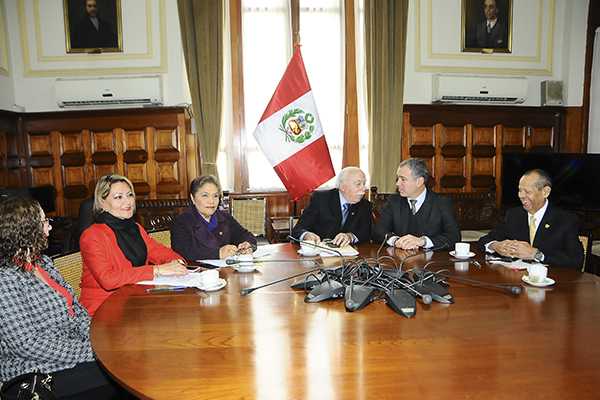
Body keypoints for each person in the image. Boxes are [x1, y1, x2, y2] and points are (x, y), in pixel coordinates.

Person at [0, 197, 118, 399]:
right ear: (26, 230)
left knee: (124, 360)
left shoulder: (43, 263)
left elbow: (76, 310)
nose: (49, 227)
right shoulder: (5, 278)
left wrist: (97, 339)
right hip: (33, 371)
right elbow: (27, 344)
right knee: (119, 374)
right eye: (44, 222)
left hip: (69, 354)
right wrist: (91, 350)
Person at [80, 173, 187, 316]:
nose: (128, 202)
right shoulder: (92, 235)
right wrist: (156, 270)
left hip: (135, 302)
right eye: (118, 197)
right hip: (103, 309)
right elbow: (108, 279)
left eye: (129, 195)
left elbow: (159, 252)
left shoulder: (136, 228)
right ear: (102, 203)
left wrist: (176, 262)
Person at [478, 169, 584, 269]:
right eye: (520, 190)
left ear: (545, 192)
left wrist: (537, 254)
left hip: (551, 278)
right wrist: (496, 246)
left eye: (527, 191)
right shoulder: (514, 215)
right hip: (517, 278)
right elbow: (484, 240)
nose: (521, 195)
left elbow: (577, 260)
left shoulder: (565, 220)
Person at [371, 158, 461, 249]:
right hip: (401, 255)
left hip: (431, 256)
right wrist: (396, 241)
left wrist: (423, 241)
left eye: (403, 179)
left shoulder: (441, 202)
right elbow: (378, 230)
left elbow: (454, 235)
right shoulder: (394, 201)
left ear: (419, 182)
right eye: (398, 178)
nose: (398, 183)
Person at [170, 175, 257, 260]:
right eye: (205, 195)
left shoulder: (224, 217)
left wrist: (247, 244)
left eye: (215, 196)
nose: (211, 201)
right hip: (199, 268)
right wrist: (217, 253)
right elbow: (181, 251)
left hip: (227, 268)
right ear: (193, 198)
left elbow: (245, 235)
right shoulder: (182, 221)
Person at [292, 166, 372, 247]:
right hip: (319, 250)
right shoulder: (321, 199)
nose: (363, 188)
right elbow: (299, 228)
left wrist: (350, 236)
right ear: (342, 187)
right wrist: (307, 235)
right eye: (358, 184)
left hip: (347, 252)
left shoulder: (365, 205)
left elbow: (366, 231)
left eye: (364, 183)